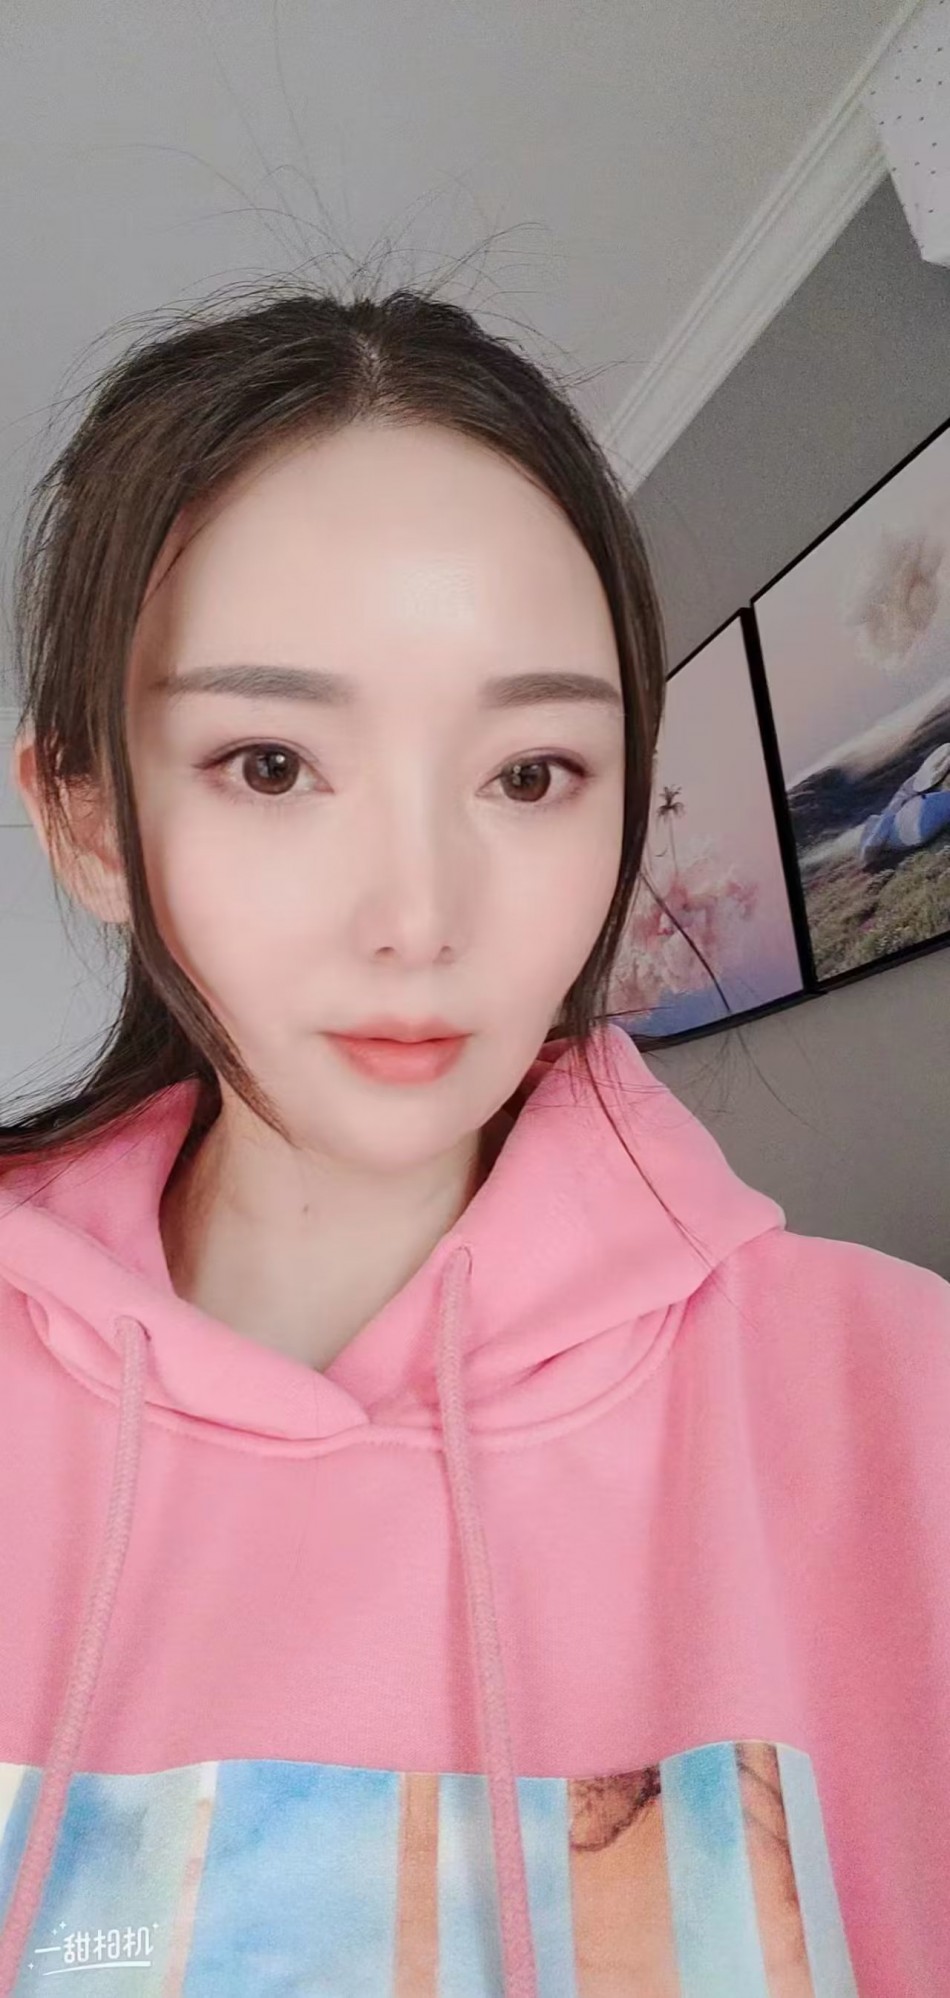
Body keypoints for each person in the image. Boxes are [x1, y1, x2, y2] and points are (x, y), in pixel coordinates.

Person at [0, 280, 948, 1998]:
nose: (420, 916)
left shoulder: (900, 1400)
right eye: (271, 762)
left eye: (528, 774)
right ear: (86, 819)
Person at [858, 739, 950, 870]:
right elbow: (875, 839)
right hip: (916, 823)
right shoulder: (889, 825)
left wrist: (869, 856)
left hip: (915, 830)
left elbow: (875, 840)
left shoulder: (894, 839)